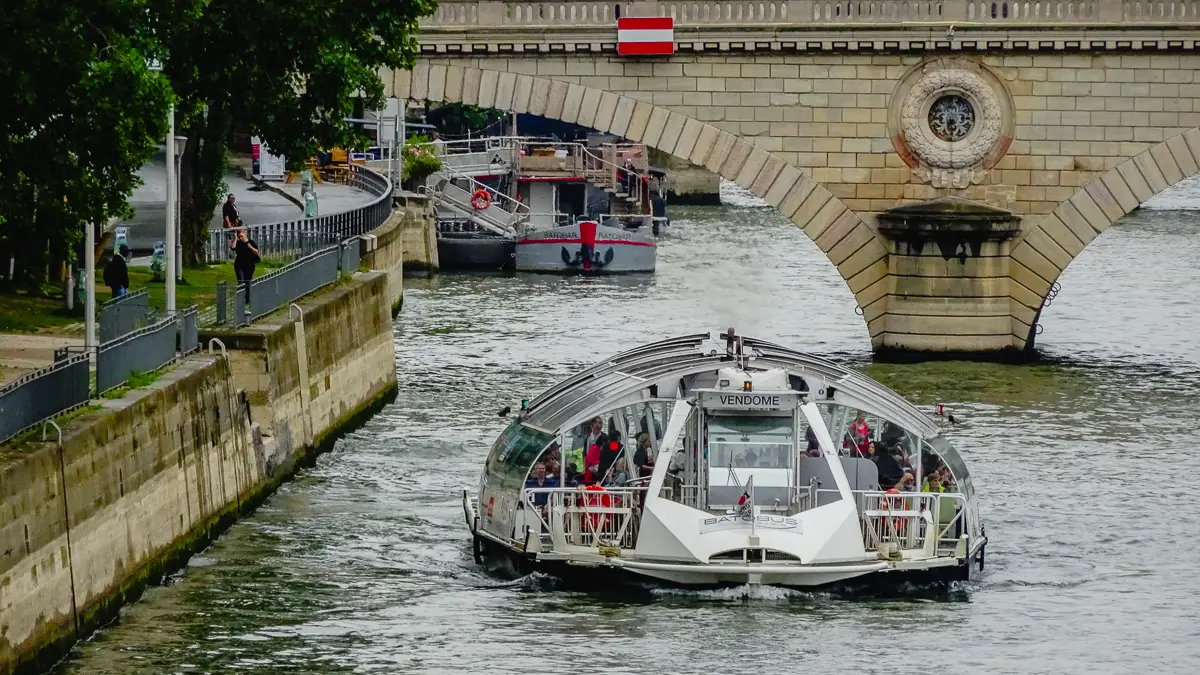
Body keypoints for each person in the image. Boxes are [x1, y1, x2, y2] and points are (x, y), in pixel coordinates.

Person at [232, 229, 260, 310]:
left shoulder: (251, 242)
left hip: (249, 265)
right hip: (239, 265)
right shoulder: (238, 243)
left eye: (242, 236)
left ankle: (247, 300)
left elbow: (256, 252)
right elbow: (232, 247)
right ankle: (240, 298)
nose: (240, 238)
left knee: (248, 281)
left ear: (245, 235)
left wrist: (250, 246)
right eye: (239, 236)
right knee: (241, 281)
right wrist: (235, 239)